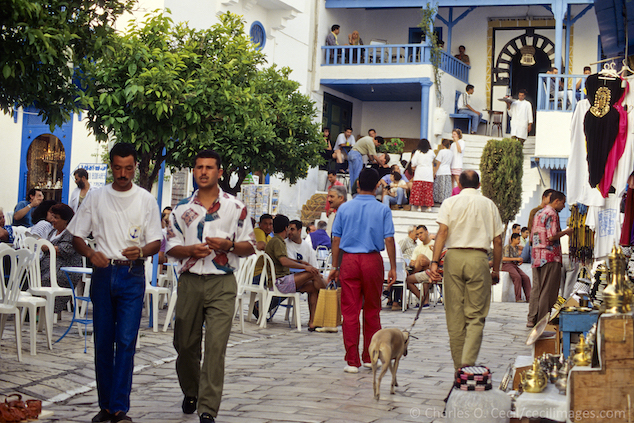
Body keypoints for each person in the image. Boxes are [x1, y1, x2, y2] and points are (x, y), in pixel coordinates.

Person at [68, 143, 162, 423]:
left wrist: (143, 251)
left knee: (126, 341)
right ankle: (106, 405)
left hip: (132, 273)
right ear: (111, 166)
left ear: (135, 168)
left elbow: (156, 241)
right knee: (103, 340)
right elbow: (76, 236)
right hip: (104, 272)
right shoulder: (96, 197)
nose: (123, 173)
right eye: (118, 167)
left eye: (128, 168)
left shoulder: (146, 199)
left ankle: (119, 408)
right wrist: (90, 253)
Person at [165, 150, 255, 423]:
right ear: (194, 171)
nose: (203, 172)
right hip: (190, 282)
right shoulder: (180, 209)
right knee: (185, 344)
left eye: (209, 167)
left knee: (216, 345)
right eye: (199, 167)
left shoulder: (235, 207)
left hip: (222, 282)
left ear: (220, 172)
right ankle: (191, 390)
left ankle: (207, 408)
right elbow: (169, 247)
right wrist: (189, 249)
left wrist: (228, 245)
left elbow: (250, 245)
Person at [429, 170, 503, 370]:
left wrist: (434, 262)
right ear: (479, 185)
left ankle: (458, 368)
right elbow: (497, 240)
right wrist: (496, 270)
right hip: (479, 259)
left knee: (454, 314)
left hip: (453, 258)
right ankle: (467, 364)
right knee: (476, 316)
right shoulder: (489, 204)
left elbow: (442, 233)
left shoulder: (450, 203)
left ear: (459, 185)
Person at [329, 168, 396, 373]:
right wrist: (393, 266)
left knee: (349, 312)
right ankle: (370, 357)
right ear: (377, 186)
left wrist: (334, 266)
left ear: (357, 185)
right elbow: (389, 239)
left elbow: (336, 239)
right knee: (372, 310)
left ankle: (352, 361)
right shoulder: (382, 209)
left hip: (349, 260)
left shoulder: (344, 209)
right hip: (372, 260)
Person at [266, 215, 326, 330]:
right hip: (280, 282)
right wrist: (305, 267)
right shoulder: (278, 242)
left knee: (313, 287)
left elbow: (284, 258)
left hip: (285, 281)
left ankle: (313, 322)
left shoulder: (278, 241)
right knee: (313, 273)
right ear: (285, 228)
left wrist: (301, 262)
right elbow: (284, 261)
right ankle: (325, 294)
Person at [528, 190, 571, 328]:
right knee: (548, 289)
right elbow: (552, 236)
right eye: (563, 203)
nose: (564, 206)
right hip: (550, 256)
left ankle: (532, 318)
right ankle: (542, 320)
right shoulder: (552, 213)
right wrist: (566, 232)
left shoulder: (538, 213)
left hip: (537, 255)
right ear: (556, 201)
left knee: (537, 288)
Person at [41, 203, 82, 314]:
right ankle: (34, 308)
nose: (53, 220)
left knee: (45, 279)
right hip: (50, 266)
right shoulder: (53, 231)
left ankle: (43, 310)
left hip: (65, 269)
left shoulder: (72, 233)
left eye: (56, 218)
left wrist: (47, 247)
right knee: (29, 275)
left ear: (66, 220)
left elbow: (66, 250)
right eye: (53, 216)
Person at [502, 233, 531, 302]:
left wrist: (518, 261)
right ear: (513, 239)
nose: (519, 241)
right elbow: (504, 258)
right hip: (507, 265)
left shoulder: (517, 248)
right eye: (518, 239)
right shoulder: (507, 247)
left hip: (514, 265)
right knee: (517, 277)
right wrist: (516, 259)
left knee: (526, 278)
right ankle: (518, 298)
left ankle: (529, 298)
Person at [409, 139, 435, 212]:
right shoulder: (431, 152)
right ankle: (429, 207)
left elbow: (413, 163)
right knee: (428, 191)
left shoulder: (417, 152)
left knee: (419, 191)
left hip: (419, 173)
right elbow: (433, 159)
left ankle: (419, 207)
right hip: (428, 174)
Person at [433, 138, 454, 204]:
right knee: (446, 187)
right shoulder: (451, 152)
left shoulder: (441, 152)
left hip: (441, 171)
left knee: (440, 187)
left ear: (442, 145)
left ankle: (439, 200)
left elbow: (438, 162)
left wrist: (435, 172)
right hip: (447, 171)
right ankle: (446, 199)